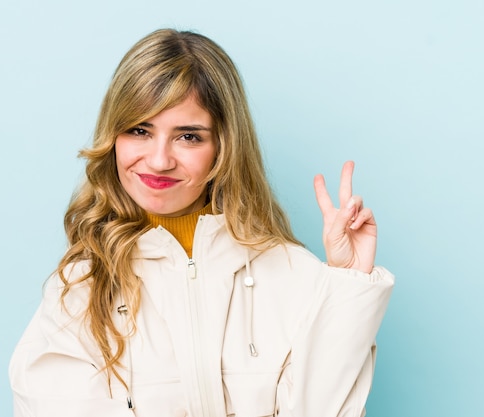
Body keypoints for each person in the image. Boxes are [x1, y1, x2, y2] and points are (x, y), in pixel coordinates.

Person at [9, 28, 394, 417]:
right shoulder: (78, 291)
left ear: (223, 147)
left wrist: (348, 283)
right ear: (113, 138)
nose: (159, 160)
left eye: (188, 136)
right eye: (139, 130)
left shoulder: (293, 273)